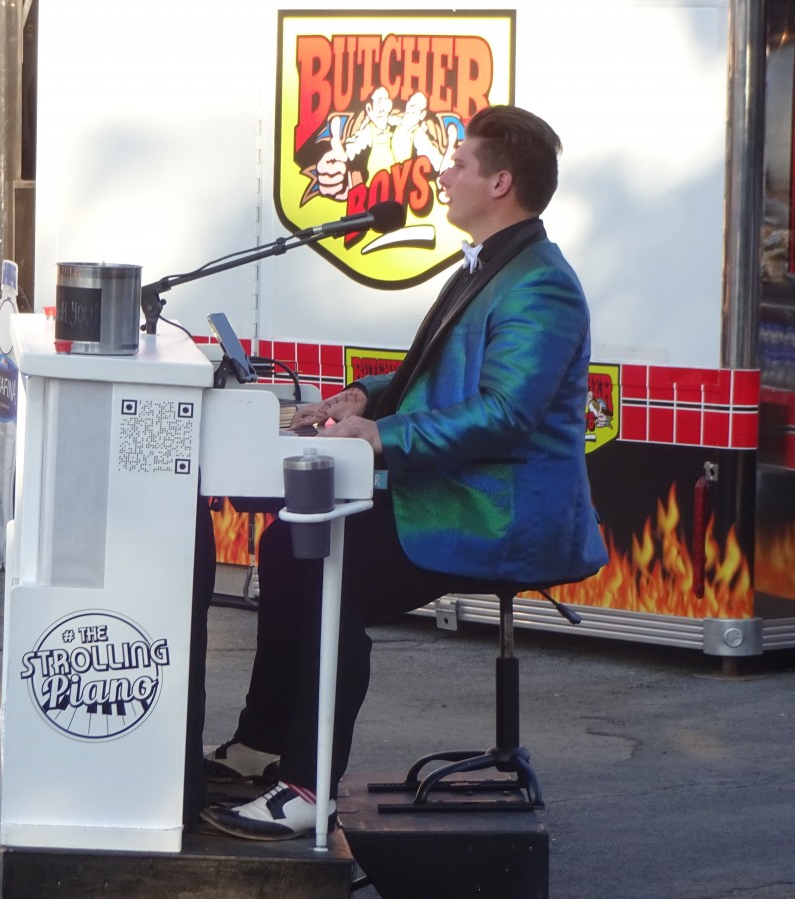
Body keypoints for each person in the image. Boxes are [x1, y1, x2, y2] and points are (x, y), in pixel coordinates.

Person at [200, 105, 609, 840]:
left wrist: (381, 436)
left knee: (333, 564)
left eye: (460, 164)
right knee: (287, 547)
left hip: (500, 510)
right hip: (457, 487)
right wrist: (366, 396)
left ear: (501, 181)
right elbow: (443, 378)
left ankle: (306, 785)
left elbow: (506, 414)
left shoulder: (541, 285)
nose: (442, 174)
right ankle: (261, 743)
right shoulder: (495, 262)